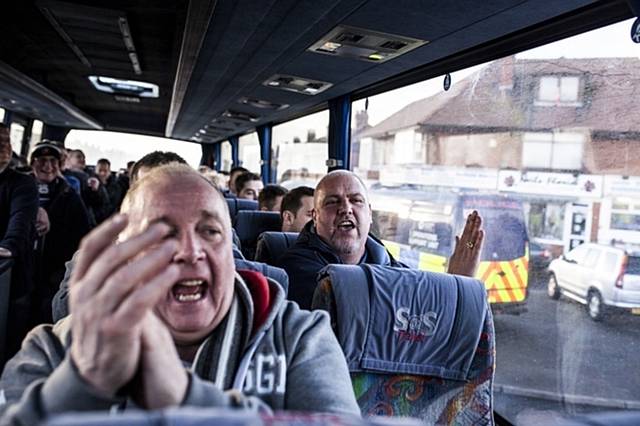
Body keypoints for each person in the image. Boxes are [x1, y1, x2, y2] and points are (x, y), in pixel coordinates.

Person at [0, 164, 360, 424]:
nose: (190, 251)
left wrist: (189, 400)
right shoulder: (57, 348)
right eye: (161, 234)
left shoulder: (299, 339)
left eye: (210, 231)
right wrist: (81, 385)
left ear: (231, 254)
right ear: (125, 255)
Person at [279, 170, 484, 309]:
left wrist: (458, 282)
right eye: (332, 202)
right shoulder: (295, 267)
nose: (346, 208)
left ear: (369, 214)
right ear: (315, 217)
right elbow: (350, 310)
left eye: (356, 200)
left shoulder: (389, 264)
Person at [30, 142, 91, 323]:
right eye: (42, 160)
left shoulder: (69, 194)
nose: (47, 166)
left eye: (52, 161)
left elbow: (83, 233)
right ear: (33, 163)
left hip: (54, 267)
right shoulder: (19, 188)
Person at [0, 124, 39, 362]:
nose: (3, 146)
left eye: (6, 141)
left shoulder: (23, 183)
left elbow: (20, 224)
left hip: (11, 278)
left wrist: (9, 246)